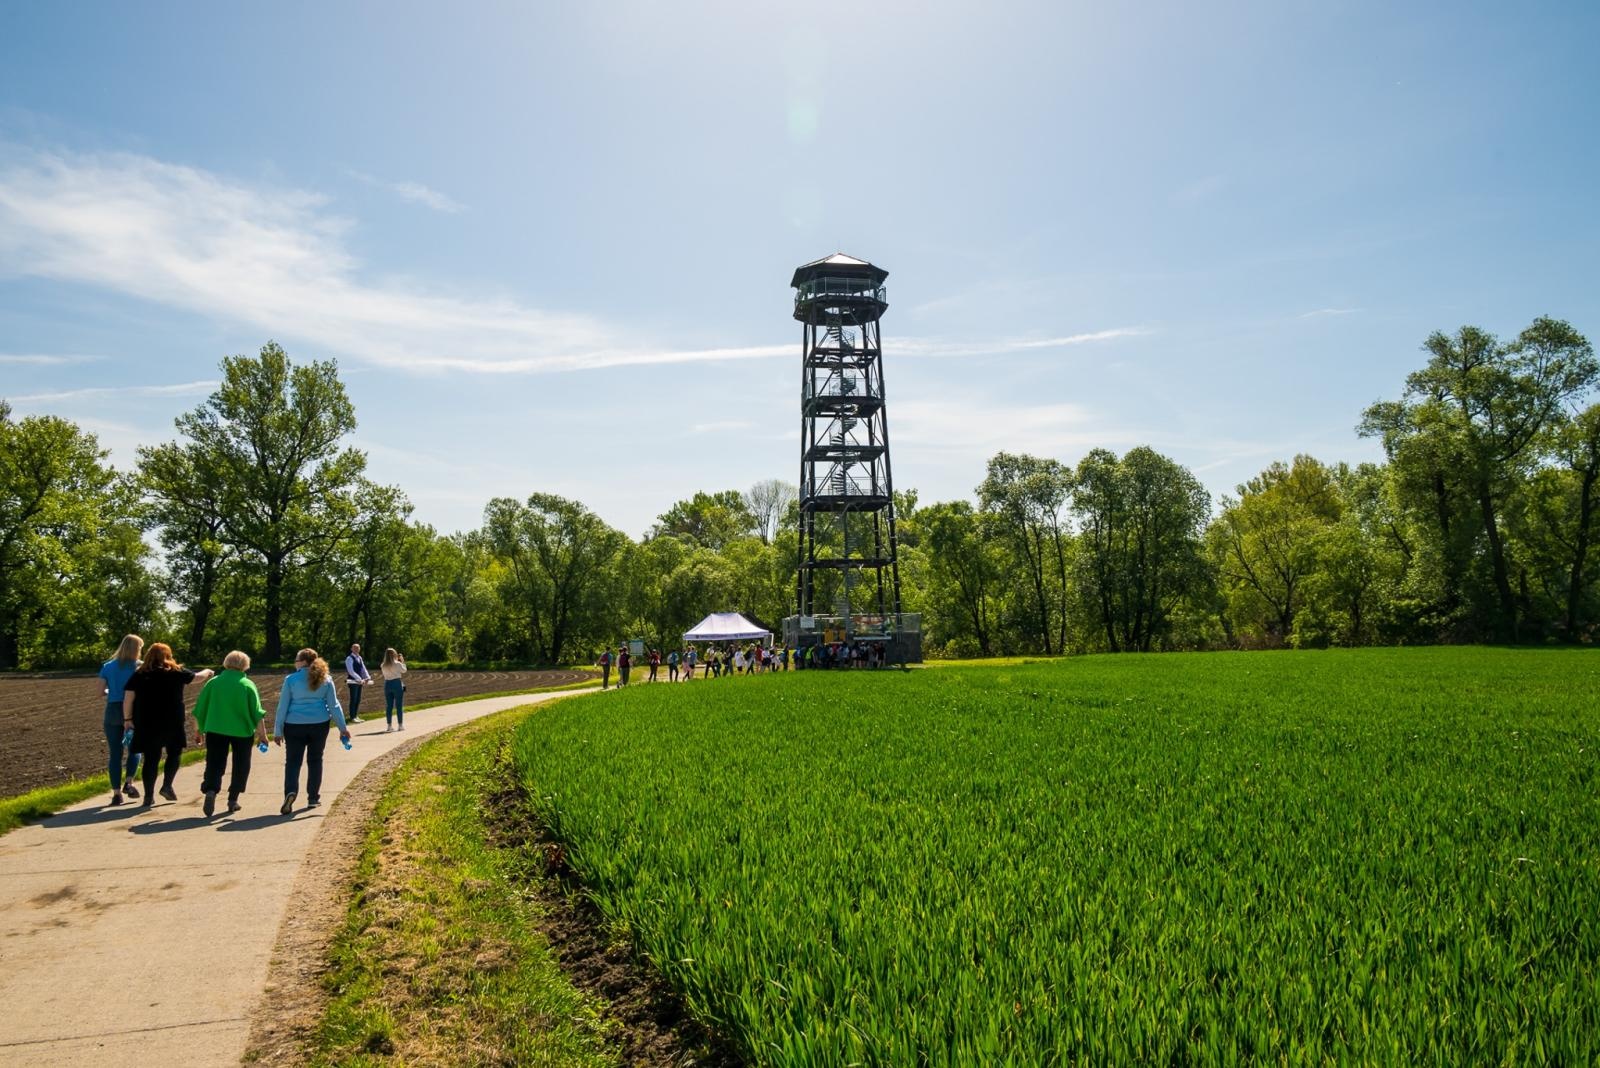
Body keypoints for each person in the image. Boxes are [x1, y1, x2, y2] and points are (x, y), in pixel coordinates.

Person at [123, 643, 214, 806]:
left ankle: (148, 796)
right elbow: (196, 678)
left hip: (146, 721)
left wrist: (127, 719)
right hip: (172, 719)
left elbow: (128, 698)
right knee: (174, 752)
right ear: (168, 655)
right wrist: (208, 671)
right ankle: (167, 786)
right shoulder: (175, 671)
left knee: (151, 758)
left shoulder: (140, 674)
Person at [272, 647, 350, 814]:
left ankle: (291, 791)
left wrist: (278, 731)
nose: (295, 663)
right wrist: (343, 728)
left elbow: (282, 706)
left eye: (296, 660)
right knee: (315, 760)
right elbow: (334, 705)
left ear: (303, 662)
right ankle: (313, 798)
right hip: (319, 724)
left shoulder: (291, 679)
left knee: (293, 762)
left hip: (294, 725)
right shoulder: (326, 678)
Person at [192, 650, 267, 817]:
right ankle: (233, 799)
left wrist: (198, 730)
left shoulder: (213, 683)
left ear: (226, 662)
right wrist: (262, 735)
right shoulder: (247, 685)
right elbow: (257, 713)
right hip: (242, 732)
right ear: (245, 665)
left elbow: (199, 709)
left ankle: (211, 789)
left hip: (215, 729)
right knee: (241, 764)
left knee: (214, 762)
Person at [99, 634, 144, 805]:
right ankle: (129, 783)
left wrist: (112, 692)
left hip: (112, 711)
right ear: (136, 649)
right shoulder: (140, 667)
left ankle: (116, 793)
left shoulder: (108, 666)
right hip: (132, 711)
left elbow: (100, 691)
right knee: (135, 749)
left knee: (115, 753)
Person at [380, 647, 408, 731]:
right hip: (396, 683)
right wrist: (402, 661)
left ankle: (389, 725)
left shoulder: (383, 665)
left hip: (387, 684)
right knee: (399, 705)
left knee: (389, 706)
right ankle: (400, 725)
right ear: (394, 654)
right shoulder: (397, 664)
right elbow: (404, 670)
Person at [344, 643, 373, 722]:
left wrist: (367, 677)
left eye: (358, 648)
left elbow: (363, 669)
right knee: (353, 699)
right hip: (353, 681)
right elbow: (350, 671)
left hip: (360, 682)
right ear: (351, 649)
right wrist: (359, 679)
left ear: (359, 649)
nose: (356, 649)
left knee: (358, 699)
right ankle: (352, 717)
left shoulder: (359, 658)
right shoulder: (349, 658)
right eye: (355, 648)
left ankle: (356, 716)